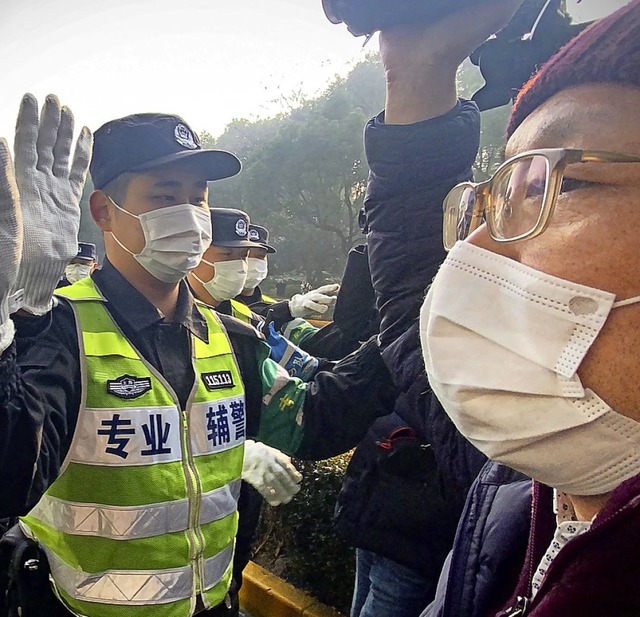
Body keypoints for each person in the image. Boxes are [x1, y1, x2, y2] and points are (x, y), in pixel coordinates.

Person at [0, 99, 397, 617]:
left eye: (198, 197)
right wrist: (17, 324)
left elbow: (315, 417)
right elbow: (11, 477)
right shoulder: (56, 333)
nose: (188, 214)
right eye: (165, 196)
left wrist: (409, 333)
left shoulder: (231, 336)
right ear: (103, 212)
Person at [363, 1, 640, 615]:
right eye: (500, 199)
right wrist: (414, 76)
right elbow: (413, 301)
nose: (474, 248)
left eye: (561, 184)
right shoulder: (516, 487)